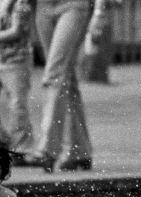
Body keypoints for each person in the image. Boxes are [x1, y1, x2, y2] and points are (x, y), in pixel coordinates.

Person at [21, 0, 112, 172]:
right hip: (43, 8)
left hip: (73, 5)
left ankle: (47, 148)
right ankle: (79, 152)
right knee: (65, 77)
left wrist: (100, 11)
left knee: (54, 73)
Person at [0, 0, 36, 160]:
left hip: (17, 61)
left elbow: (17, 31)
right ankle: (6, 142)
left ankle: (22, 147)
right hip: (2, 60)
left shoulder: (20, 3)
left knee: (17, 104)